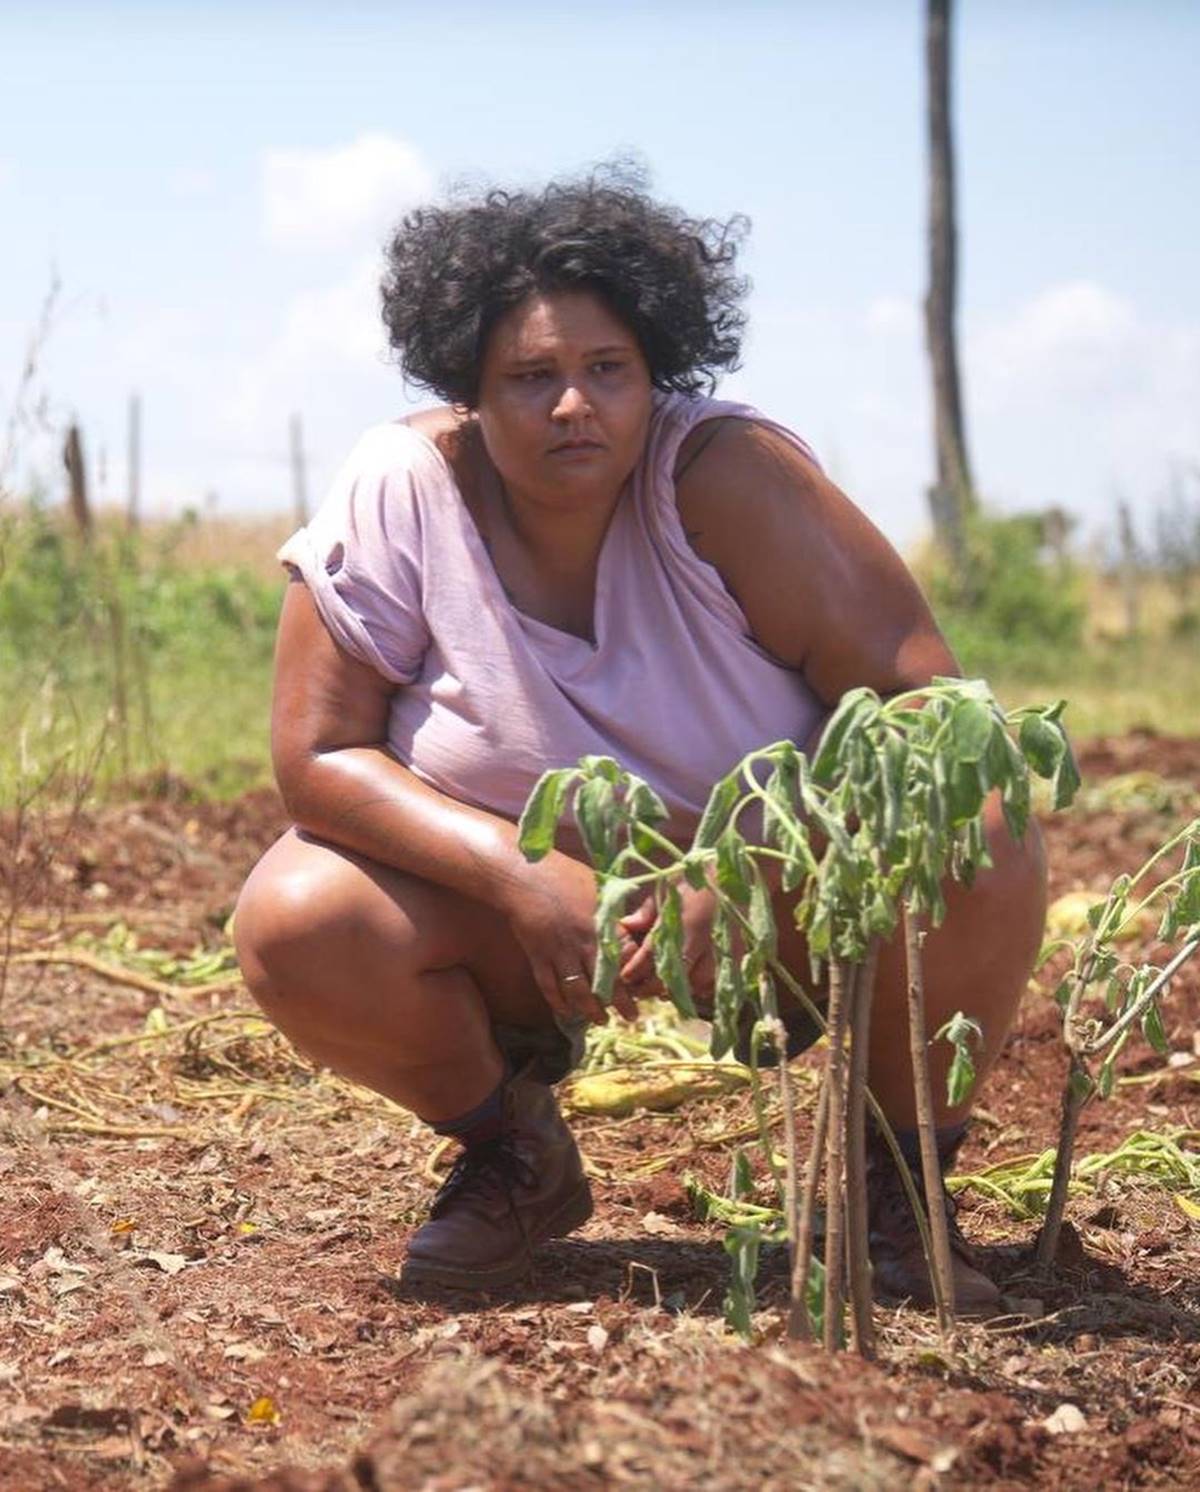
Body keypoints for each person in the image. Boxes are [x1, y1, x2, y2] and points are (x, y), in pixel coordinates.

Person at [234, 168, 1046, 1310]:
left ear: (654, 369)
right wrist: (521, 879)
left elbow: (932, 712)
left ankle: (895, 1191)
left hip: (790, 910)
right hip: (527, 924)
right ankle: (514, 1151)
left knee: (982, 818)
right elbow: (315, 757)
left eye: (607, 370)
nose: (576, 405)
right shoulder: (404, 488)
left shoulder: (727, 481)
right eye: (532, 377)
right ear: (469, 387)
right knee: (295, 917)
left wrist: (749, 867)